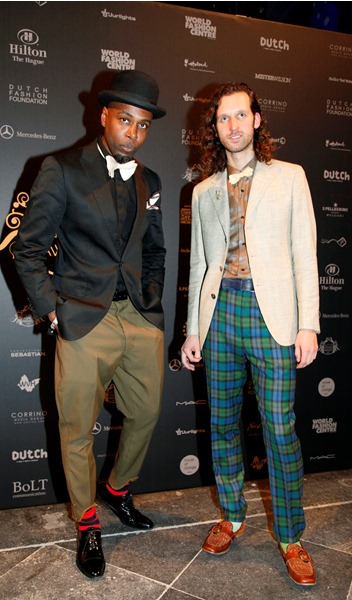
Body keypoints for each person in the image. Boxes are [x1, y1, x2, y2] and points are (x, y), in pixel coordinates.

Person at [14, 70, 166, 579]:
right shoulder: (61, 169)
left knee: (146, 412)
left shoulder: (151, 180)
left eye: (143, 125)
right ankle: (86, 521)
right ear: (104, 116)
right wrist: (52, 310)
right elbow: (28, 249)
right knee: (77, 428)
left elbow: (155, 251)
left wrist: (151, 304)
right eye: (125, 120)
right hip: (81, 316)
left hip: (137, 316)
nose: (133, 133)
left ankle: (117, 489)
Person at [181, 82, 319, 586]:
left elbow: (305, 253)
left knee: (279, 430)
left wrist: (308, 324)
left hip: (272, 316)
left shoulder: (290, 177)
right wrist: (193, 330)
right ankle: (232, 516)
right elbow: (199, 265)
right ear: (215, 128)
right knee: (221, 424)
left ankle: (291, 536)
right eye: (223, 118)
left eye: (241, 115)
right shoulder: (203, 191)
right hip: (220, 315)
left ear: (256, 120)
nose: (233, 125)